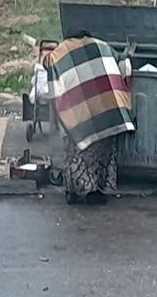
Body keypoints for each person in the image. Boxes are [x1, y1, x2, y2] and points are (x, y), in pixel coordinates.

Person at [45, 29, 134, 205]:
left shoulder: (58, 53)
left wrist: (55, 121)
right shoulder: (103, 45)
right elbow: (125, 64)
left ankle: (74, 192)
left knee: (76, 151)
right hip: (107, 107)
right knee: (103, 152)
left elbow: (53, 91)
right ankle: (97, 192)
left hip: (78, 111)